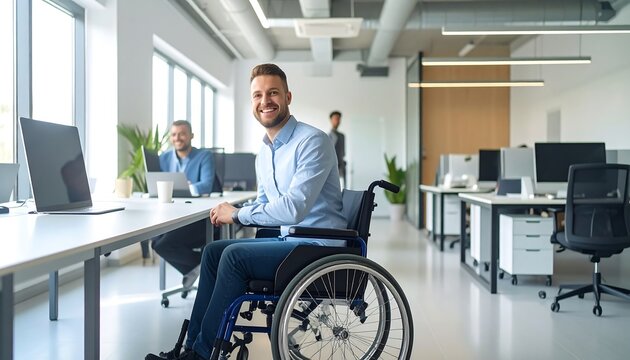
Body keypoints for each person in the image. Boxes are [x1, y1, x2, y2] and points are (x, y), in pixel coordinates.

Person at [146, 64, 346, 360]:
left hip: (317, 246)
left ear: (288, 96)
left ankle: (202, 354)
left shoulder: (312, 141)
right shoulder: (265, 152)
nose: (265, 101)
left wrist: (237, 214)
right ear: (252, 103)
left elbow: (293, 208)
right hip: (290, 241)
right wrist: (239, 212)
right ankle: (190, 347)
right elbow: (265, 202)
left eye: (273, 92)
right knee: (214, 251)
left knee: (234, 256)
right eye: (257, 95)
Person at [151, 120, 215, 289]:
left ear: (191, 136)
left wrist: (186, 188)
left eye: (182, 134)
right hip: (172, 215)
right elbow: (156, 184)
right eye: (173, 134)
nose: (177, 138)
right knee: (155, 240)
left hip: (198, 218)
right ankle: (197, 267)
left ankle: (198, 266)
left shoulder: (204, 156)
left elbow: (206, 185)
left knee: (163, 244)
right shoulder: (163, 158)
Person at [328, 110, 346, 188]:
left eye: (339, 119)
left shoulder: (342, 136)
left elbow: (343, 152)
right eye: (335, 118)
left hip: (342, 165)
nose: (337, 121)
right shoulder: (328, 136)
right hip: (331, 166)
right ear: (331, 120)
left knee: (344, 186)